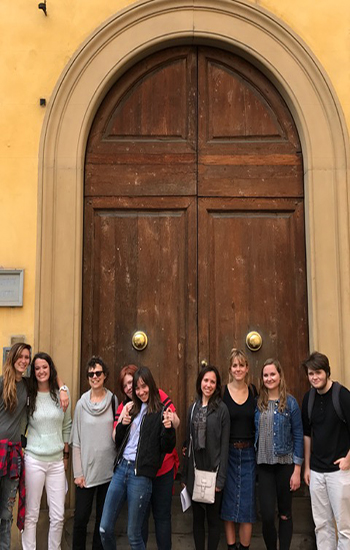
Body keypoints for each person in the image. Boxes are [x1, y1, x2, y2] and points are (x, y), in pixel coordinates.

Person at [0, 343, 68, 550]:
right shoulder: (12, 386)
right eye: (21, 357)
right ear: (12, 359)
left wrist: (63, 388)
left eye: (26, 358)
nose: (24, 361)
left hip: (24, 456)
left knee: (7, 511)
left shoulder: (43, 391)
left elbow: (67, 425)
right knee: (25, 513)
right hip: (21, 455)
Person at [99, 366, 176, 550]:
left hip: (140, 474)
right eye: (137, 388)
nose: (141, 392)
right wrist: (122, 424)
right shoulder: (130, 407)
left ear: (151, 385)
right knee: (104, 528)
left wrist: (168, 428)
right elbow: (118, 440)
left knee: (134, 534)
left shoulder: (160, 409)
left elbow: (167, 446)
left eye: (144, 387)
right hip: (121, 469)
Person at [22, 352, 72, 550]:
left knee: (58, 516)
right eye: (37, 368)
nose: (41, 371)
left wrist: (66, 455)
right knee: (31, 514)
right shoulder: (28, 395)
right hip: (33, 459)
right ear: (33, 372)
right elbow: (21, 427)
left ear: (50, 369)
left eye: (45, 367)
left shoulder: (61, 395)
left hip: (57, 462)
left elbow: (66, 426)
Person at [301, 351, 350, 549]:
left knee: (345, 527)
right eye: (311, 374)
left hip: (340, 471)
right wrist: (306, 467)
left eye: (318, 373)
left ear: (327, 372)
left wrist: (348, 459)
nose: (314, 377)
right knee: (322, 526)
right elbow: (307, 435)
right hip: (316, 472)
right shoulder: (308, 398)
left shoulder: (342, 395)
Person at [254, 359, 303, 550]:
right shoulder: (258, 402)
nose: (269, 378)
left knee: (285, 513)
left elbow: (298, 434)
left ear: (280, 375)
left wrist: (297, 470)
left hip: (285, 466)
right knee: (266, 516)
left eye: (272, 374)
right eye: (265, 375)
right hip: (264, 467)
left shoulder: (290, 403)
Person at [70, 356, 118, 550]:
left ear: (104, 375)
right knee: (81, 518)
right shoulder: (81, 404)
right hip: (86, 473)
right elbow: (76, 440)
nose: (94, 376)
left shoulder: (113, 400)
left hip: (108, 472)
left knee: (102, 521)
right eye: (91, 374)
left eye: (98, 373)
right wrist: (78, 472)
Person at [182, 365, 230, 550]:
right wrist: (185, 476)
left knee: (212, 520)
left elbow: (225, 446)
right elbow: (188, 443)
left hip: (214, 472)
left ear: (217, 385)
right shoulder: (192, 408)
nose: (208, 385)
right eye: (205, 380)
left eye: (212, 381)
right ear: (200, 382)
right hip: (194, 472)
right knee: (197, 520)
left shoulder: (222, 410)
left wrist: (221, 478)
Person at [221, 349, 257, 550]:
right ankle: (231, 547)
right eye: (235, 365)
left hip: (249, 454)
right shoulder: (222, 392)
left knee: (247, 505)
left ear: (247, 368)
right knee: (228, 504)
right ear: (230, 369)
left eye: (241, 365)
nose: (238, 369)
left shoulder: (253, 391)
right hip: (228, 454)